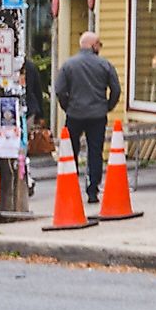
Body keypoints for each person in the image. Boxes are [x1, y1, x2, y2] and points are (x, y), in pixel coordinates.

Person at [50, 29, 121, 204]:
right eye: (99, 44)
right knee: (95, 151)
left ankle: (70, 186)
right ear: (93, 45)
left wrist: (67, 106)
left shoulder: (69, 65)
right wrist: (107, 106)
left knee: (70, 151)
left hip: (74, 114)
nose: (100, 48)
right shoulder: (104, 65)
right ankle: (92, 190)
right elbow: (116, 89)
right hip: (97, 115)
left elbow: (59, 90)